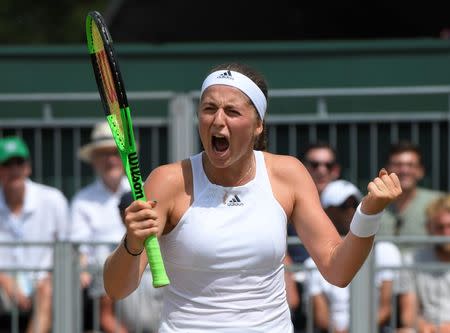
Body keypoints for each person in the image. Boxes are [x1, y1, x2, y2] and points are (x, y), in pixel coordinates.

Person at [103, 62, 402, 332]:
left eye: (232, 111)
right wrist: (132, 242)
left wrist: (369, 213)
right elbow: (117, 289)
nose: (218, 121)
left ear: (258, 125)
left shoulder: (288, 174)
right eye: (209, 109)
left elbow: (338, 270)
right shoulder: (168, 181)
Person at [304, 179, 402, 333]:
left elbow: (385, 307)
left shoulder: (386, 251)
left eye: (354, 204)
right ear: (326, 211)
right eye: (343, 206)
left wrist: (358, 329)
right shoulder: (312, 262)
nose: (351, 211)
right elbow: (321, 316)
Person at [0, 136, 69, 333]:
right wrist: (3, 279)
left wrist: (50, 276)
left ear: (27, 167)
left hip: (46, 282)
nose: (14, 170)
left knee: (47, 290)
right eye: (6, 164)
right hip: (3, 286)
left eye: (18, 163)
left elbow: (68, 249)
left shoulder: (53, 199)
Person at [68, 121, 130, 333]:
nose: (111, 159)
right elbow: (79, 249)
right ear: (94, 160)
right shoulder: (82, 200)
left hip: (141, 274)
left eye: (114, 152)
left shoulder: (142, 190)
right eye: (103, 154)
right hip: (102, 279)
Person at [288, 141, 342, 331]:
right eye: (314, 164)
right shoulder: (286, 202)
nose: (321, 170)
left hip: (337, 283)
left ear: (336, 170)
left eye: (328, 165)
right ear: (303, 168)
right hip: (298, 287)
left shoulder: (349, 203)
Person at [377, 141, 443, 254]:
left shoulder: (439, 203)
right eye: (398, 165)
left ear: (420, 171)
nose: (404, 170)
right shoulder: (372, 204)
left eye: (410, 165)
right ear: (386, 170)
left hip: (426, 270)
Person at [397, 194, 450, 332]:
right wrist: (428, 328)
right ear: (428, 228)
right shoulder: (412, 260)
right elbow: (408, 315)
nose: (446, 233)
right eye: (440, 227)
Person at [114, 191, 165, 333]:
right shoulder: (111, 254)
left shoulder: (169, 248)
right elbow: (105, 312)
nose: (140, 216)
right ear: (123, 216)